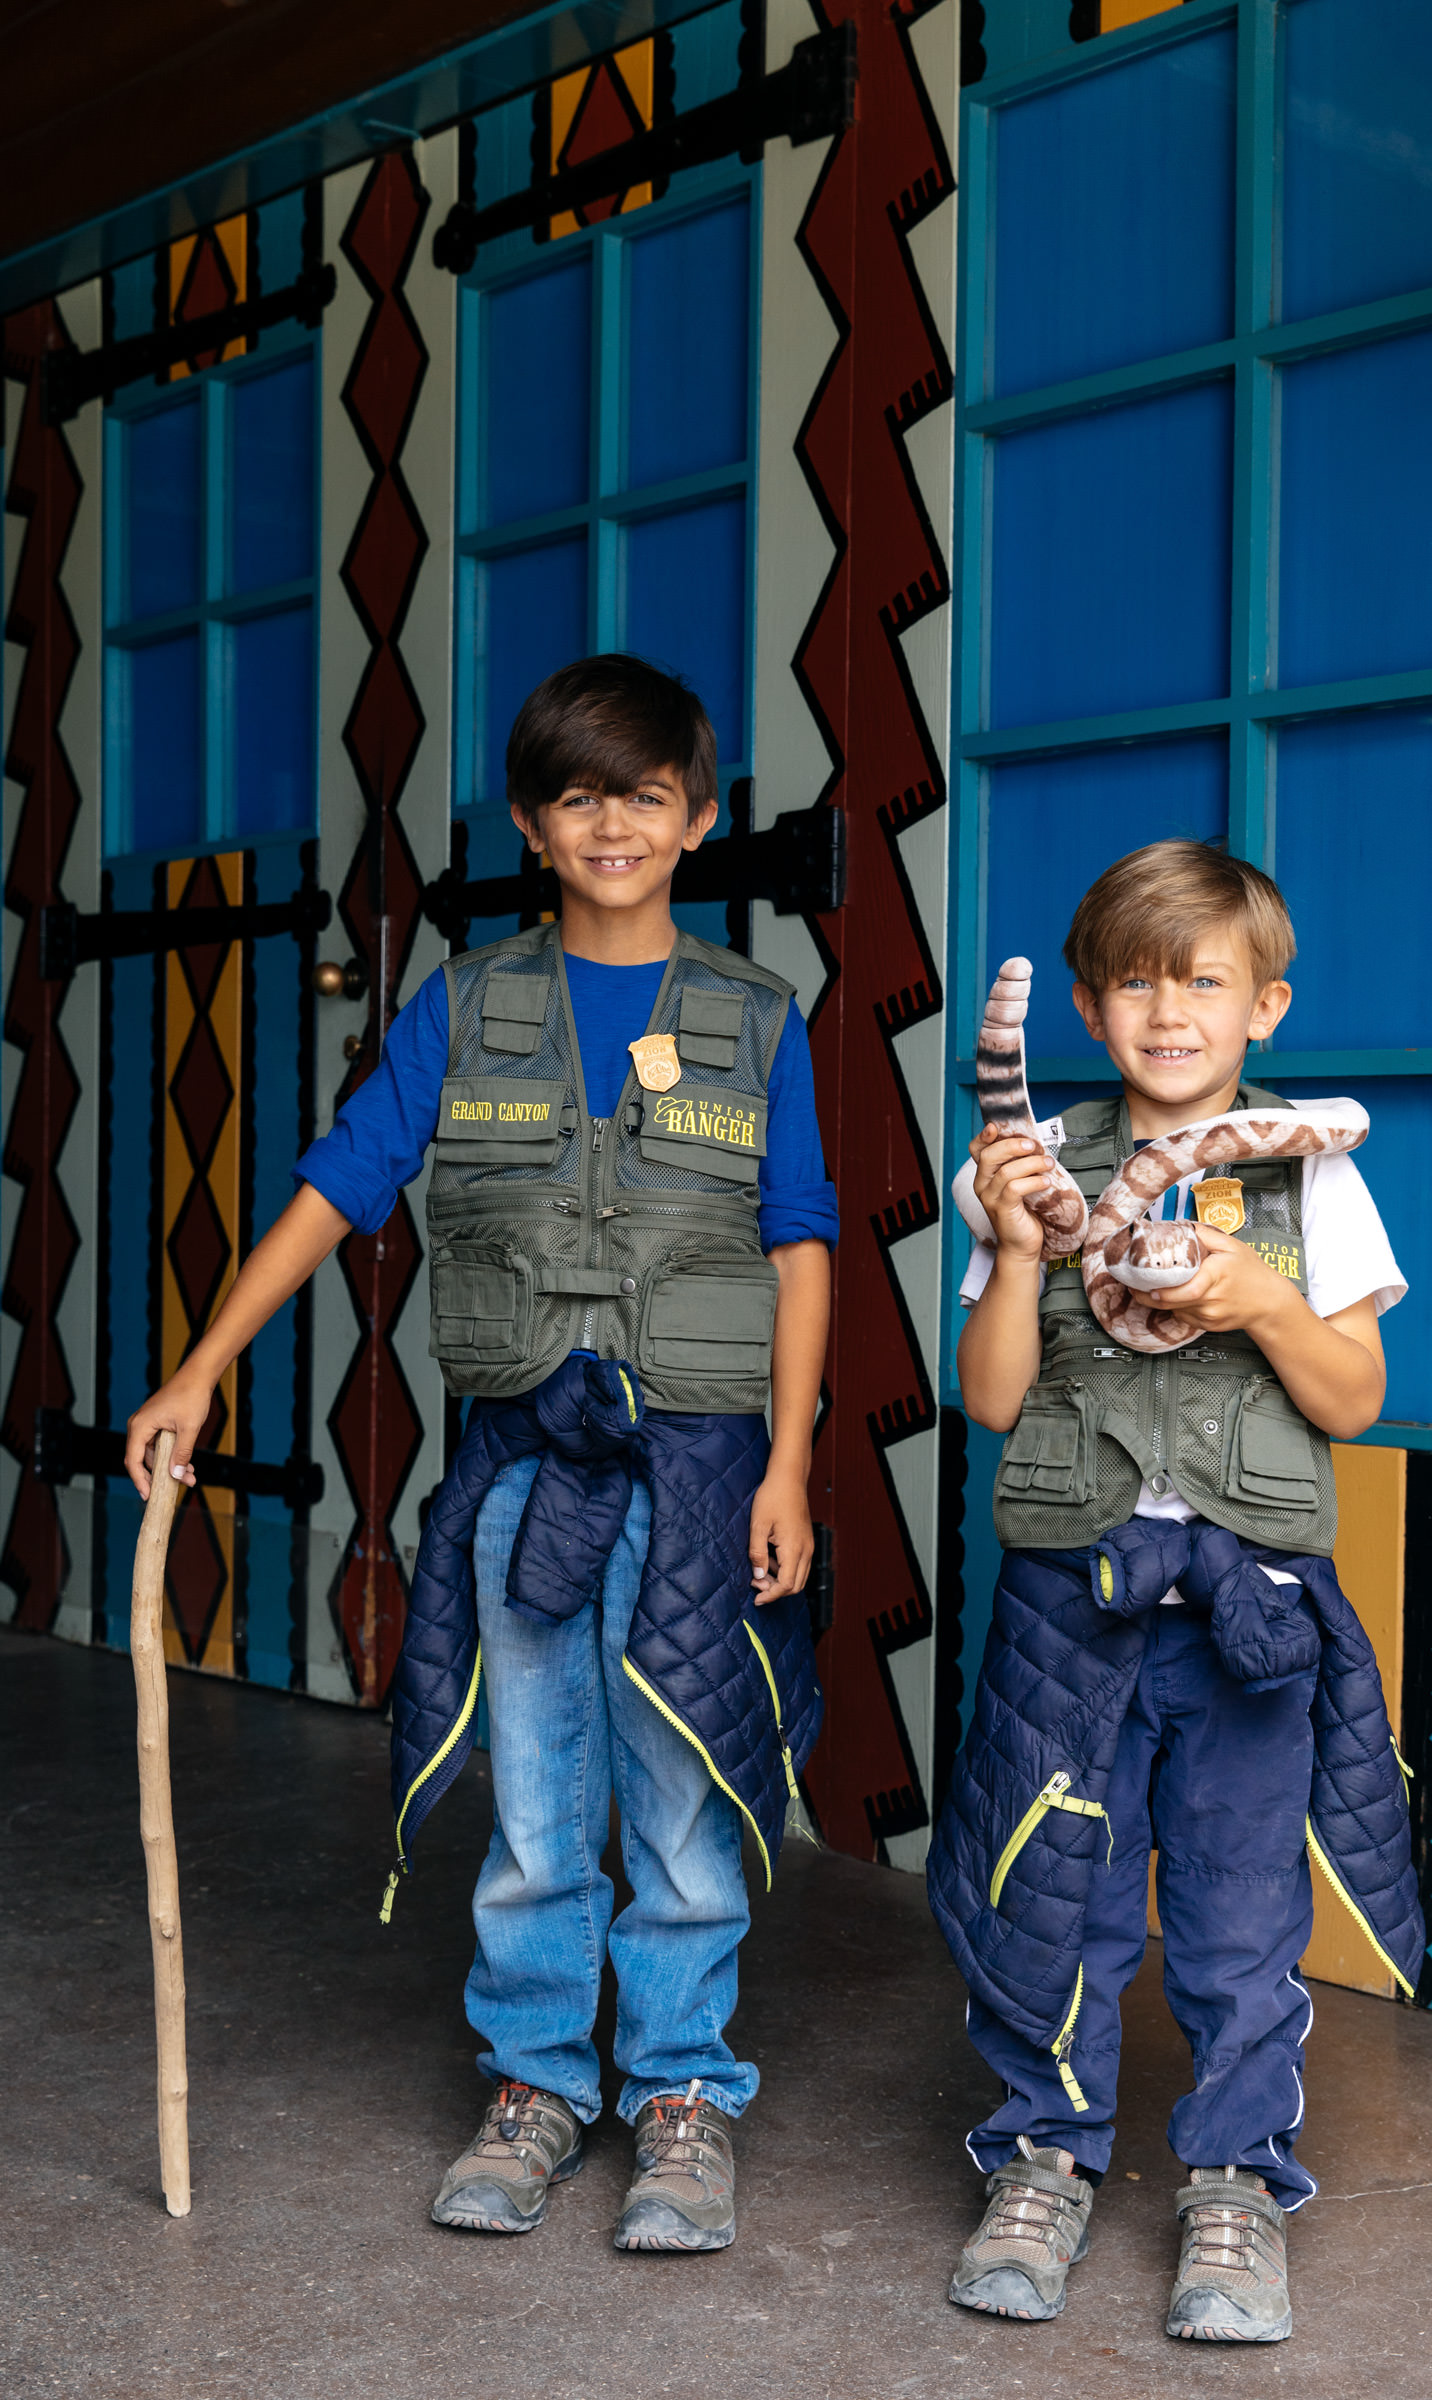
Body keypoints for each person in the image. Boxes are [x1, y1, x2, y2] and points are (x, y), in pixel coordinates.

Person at [126, 653, 836, 2255]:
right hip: (524, 1460)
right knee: (535, 1796)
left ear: (698, 819)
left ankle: (679, 2095)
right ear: (532, 822)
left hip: (703, 1470)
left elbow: (802, 1244)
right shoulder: (466, 1005)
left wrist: (790, 1463)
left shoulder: (753, 1019)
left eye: (645, 797)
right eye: (579, 796)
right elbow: (332, 1186)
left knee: (674, 1798)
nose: (612, 825)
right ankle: (534, 2082)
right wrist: (199, 1372)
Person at [926, 840, 1422, 2342]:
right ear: (1085, 1001)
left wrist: (1265, 1298)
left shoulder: (1311, 1179)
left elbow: (1351, 1401)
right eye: (1134, 981)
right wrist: (1016, 1252)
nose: (1167, 1011)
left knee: (1237, 1904)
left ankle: (1233, 2182)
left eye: (1202, 980)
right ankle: (1042, 2157)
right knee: (1056, 1886)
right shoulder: (1038, 1167)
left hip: (1246, 1610)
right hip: (1071, 1596)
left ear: (1263, 1006)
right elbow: (997, 1399)